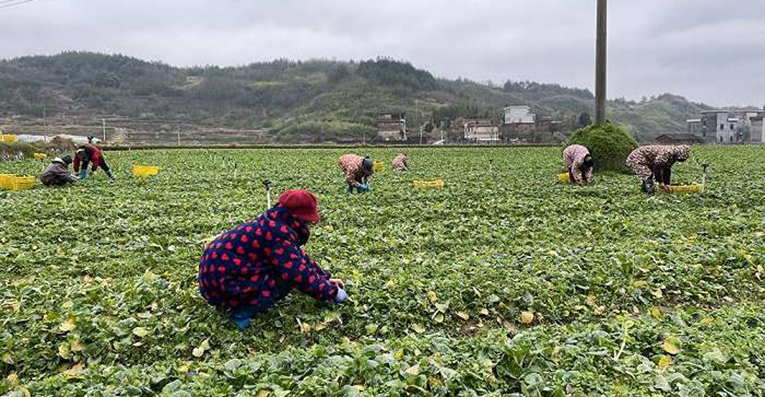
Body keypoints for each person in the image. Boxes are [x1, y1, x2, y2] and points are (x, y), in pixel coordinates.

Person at [198, 189, 347, 329]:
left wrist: (325, 279)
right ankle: (241, 312)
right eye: (307, 221)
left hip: (216, 273)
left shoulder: (274, 223)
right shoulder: (278, 233)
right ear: (298, 218)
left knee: (284, 269)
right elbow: (298, 274)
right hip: (219, 282)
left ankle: (240, 301)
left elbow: (299, 258)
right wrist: (332, 293)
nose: (309, 225)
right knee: (284, 278)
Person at [626, 145, 690, 193]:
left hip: (647, 160)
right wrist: (660, 182)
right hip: (636, 158)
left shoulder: (673, 156)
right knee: (647, 174)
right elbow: (658, 168)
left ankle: (645, 190)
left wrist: (667, 184)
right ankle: (650, 192)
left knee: (648, 175)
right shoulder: (667, 152)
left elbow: (667, 169)